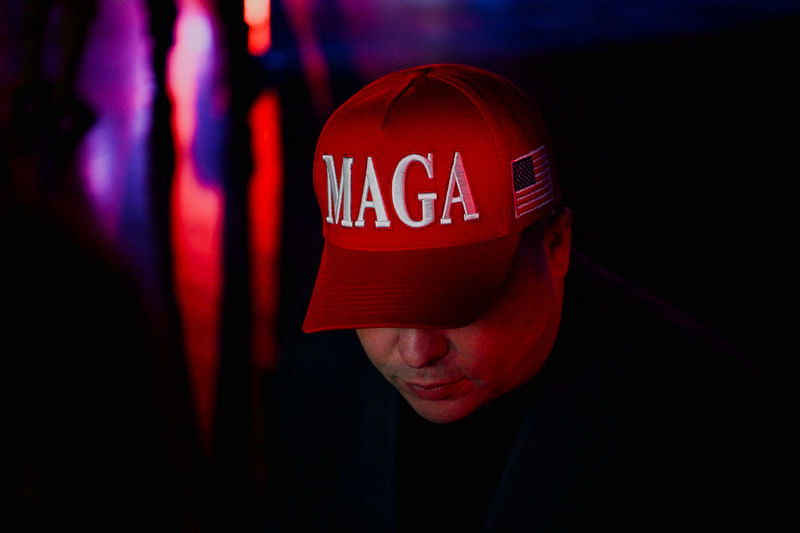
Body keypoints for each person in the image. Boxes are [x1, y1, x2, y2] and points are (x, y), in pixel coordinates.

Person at [269, 64, 778, 532]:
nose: (416, 352)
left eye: (456, 302)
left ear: (554, 246)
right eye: (374, 301)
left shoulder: (710, 426)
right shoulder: (320, 359)